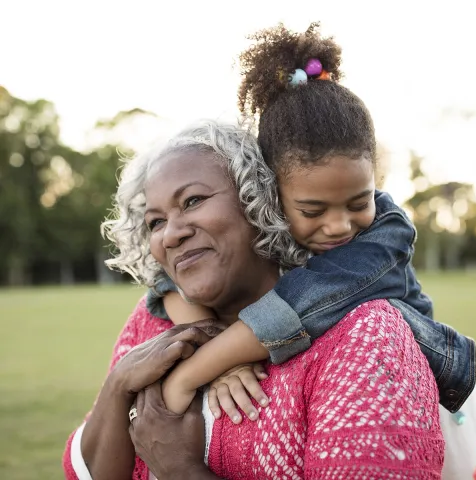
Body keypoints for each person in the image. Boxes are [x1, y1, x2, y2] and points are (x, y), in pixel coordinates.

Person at [63, 120, 444, 479]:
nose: (170, 235)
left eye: (193, 200)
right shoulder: (154, 327)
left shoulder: (361, 336)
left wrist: (180, 469)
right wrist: (117, 386)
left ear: (260, 200)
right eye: (155, 222)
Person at [146, 23, 476, 423]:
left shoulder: (386, 233)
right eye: (313, 211)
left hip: (413, 401)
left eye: (359, 201)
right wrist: (215, 349)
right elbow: (168, 280)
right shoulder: (265, 225)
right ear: (272, 194)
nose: (339, 226)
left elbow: (300, 305)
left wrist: (191, 374)